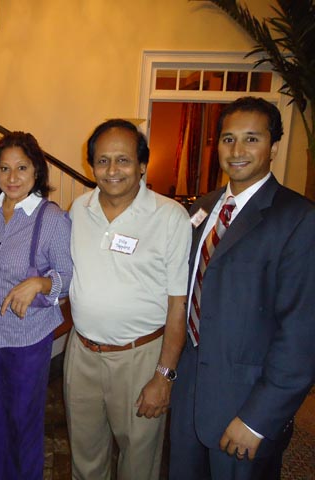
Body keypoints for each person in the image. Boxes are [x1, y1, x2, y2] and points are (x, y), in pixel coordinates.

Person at [169, 97, 315, 480]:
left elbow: (302, 333)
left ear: (274, 147)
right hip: (190, 394)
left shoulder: (298, 218)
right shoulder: (202, 208)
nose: (237, 151)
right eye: (228, 139)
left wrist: (257, 419)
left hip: (245, 402)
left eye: (251, 139)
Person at [65, 119, 191, 480]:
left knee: (138, 463)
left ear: (141, 165)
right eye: (102, 161)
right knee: (84, 461)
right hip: (83, 354)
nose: (112, 170)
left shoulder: (169, 217)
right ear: (91, 165)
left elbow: (177, 304)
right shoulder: (79, 209)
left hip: (141, 358)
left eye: (123, 160)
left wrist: (164, 375)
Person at [0, 131, 73, 479]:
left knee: (24, 424)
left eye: (22, 168)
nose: (12, 178)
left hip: (27, 338)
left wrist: (41, 283)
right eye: (4, 168)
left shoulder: (51, 218)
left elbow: (68, 277)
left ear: (37, 172)